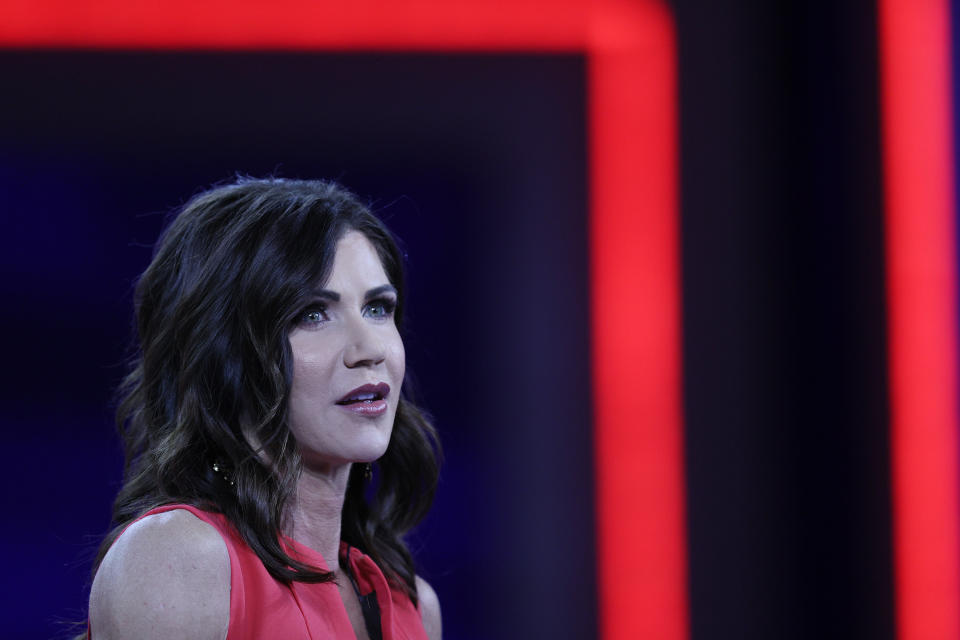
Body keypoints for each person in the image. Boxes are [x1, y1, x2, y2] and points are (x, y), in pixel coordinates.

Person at [85, 177, 442, 640]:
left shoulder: (413, 605)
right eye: (312, 314)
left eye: (377, 308)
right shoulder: (177, 562)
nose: (368, 349)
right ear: (225, 352)